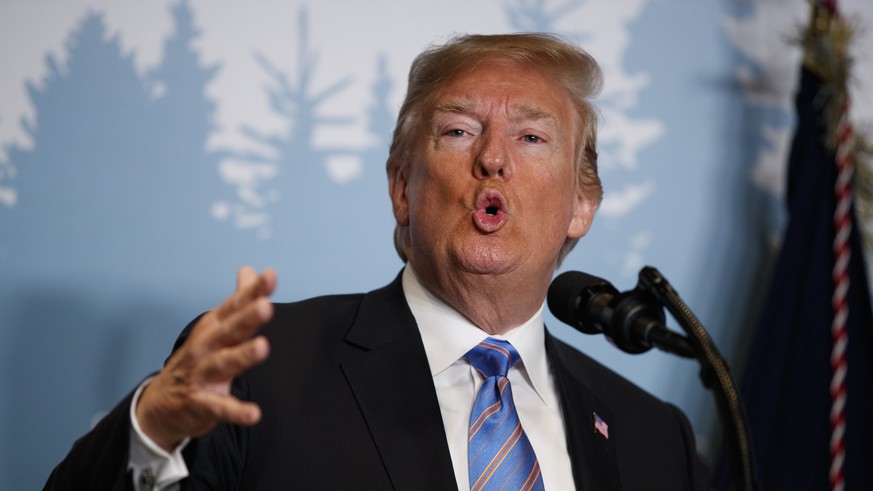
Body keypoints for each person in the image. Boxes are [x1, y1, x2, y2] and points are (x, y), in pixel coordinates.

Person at [45, 33, 709, 490]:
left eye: (531, 137)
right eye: (458, 131)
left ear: (580, 206)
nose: (493, 158)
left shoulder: (654, 437)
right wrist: (153, 430)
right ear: (401, 187)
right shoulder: (260, 367)